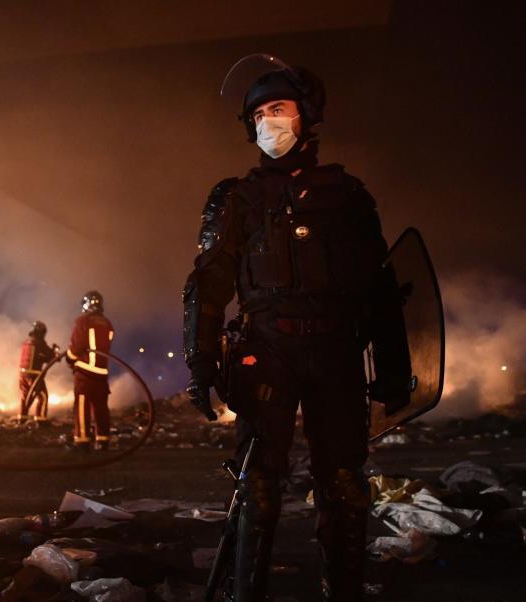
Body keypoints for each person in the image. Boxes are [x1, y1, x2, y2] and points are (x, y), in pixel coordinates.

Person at [182, 55, 401, 601]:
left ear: (306, 116)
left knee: (346, 484)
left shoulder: (348, 197)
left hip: (335, 350)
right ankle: (246, 592)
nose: (268, 123)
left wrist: (397, 367)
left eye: (278, 109)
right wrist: (200, 362)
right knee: (257, 482)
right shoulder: (237, 198)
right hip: (267, 348)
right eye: (258, 115)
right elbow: (207, 286)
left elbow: (382, 289)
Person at [66, 290, 114, 451]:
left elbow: (76, 347)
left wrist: (69, 358)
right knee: (101, 407)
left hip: (85, 373)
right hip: (101, 373)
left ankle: (82, 441)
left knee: (81, 406)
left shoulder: (82, 321)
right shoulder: (107, 323)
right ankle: (103, 440)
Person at [18, 320, 58, 421]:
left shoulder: (26, 342)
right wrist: (55, 352)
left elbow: (37, 357)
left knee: (25, 396)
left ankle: (22, 417)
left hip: (22, 374)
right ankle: (41, 419)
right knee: (43, 396)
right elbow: (50, 356)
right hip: (34, 375)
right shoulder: (39, 343)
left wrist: (47, 358)